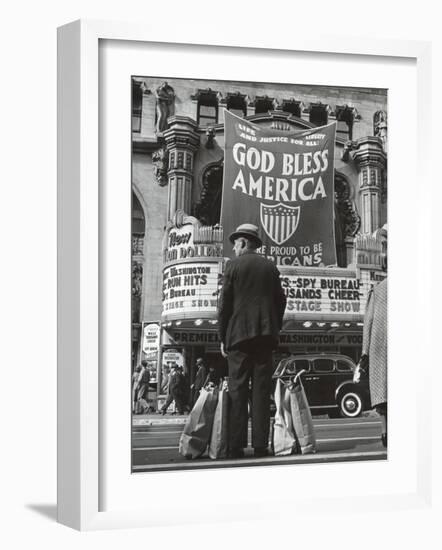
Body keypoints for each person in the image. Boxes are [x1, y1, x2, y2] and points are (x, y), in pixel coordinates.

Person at [218, 223, 287, 458]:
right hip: (265, 338)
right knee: (261, 392)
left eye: (235, 244)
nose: (234, 249)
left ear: (244, 243)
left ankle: (235, 446)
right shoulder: (270, 267)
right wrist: (273, 326)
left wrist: (222, 336)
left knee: (237, 392)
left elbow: (224, 305)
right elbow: (281, 301)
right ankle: (260, 445)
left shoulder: (232, 266)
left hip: (237, 338)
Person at [355, 277, 388, 447]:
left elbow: (367, 323)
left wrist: (365, 352)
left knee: (382, 392)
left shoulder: (378, 289)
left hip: (379, 346)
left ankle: (385, 432)